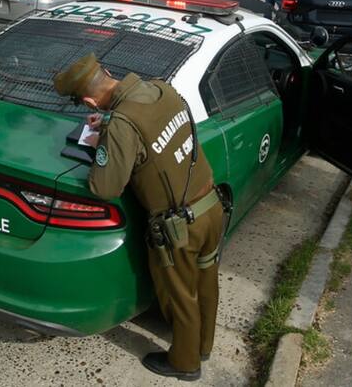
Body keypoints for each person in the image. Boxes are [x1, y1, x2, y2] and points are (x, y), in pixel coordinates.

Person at [54, 53, 225, 381]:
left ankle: (185, 363)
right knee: (206, 278)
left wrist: (107, 136)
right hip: (210, 206)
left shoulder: (122, 125)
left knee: (180, 294)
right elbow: (151, 123)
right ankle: (204, 344)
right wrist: (107, 122)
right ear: (107, 72)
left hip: (179, 228)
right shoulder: (161, 89)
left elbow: (104, 186)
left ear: (89, 100)